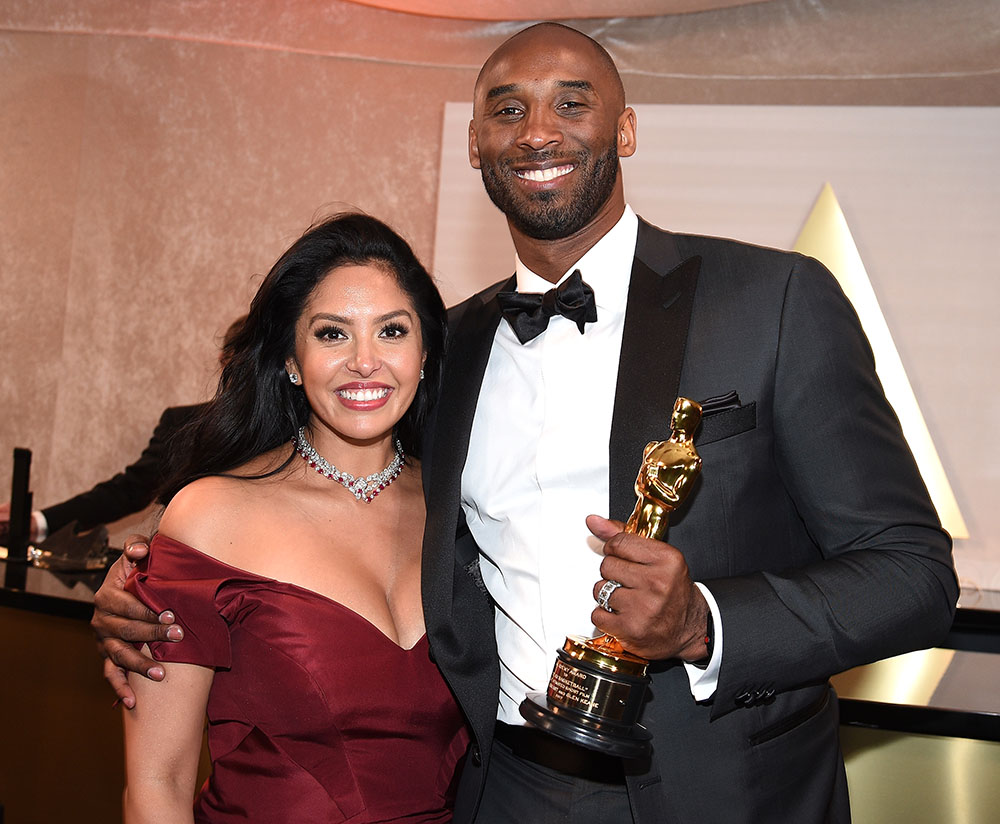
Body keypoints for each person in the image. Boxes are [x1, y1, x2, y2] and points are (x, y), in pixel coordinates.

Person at [93, 23, 958, 824]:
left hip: (728, 791)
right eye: (508, 110)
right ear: (476, 144)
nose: (538, 132)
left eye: (572, 102)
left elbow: (913, 575)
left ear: (624, 129)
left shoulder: (773, 302)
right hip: (499, 791)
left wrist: (702, 622)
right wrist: (146, 589)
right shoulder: (443, 348)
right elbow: (327, 510)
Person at [119, 213, 463, 822]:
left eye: (392, 331)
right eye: (333, 333)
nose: (364, 361)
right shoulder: (210, 514)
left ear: (425, 352)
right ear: (291, 360)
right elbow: (157, 782)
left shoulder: (462, 513)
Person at [0, 316, 245, 545]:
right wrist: (38, 521)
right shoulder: (182, 424)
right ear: (225, 361)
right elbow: (128, 491)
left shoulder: (284, 436)